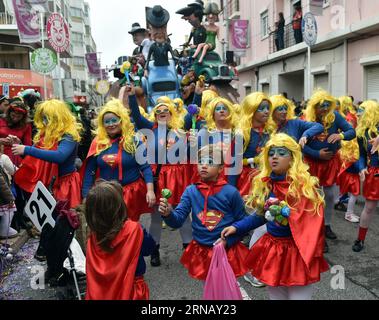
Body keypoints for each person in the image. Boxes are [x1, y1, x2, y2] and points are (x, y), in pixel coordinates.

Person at [221, 134, 329, 300]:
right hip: (274, 250)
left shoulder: (303, 186)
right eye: (271, 153)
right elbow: (260, 216)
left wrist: (286, 214)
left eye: (281, 153)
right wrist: (237, 227)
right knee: (276, 296)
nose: (275, 157)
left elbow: (311, 223)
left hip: (297, 252)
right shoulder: (268, 183)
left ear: (292, 158)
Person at [158, 144, 249, 282]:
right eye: (201, 161)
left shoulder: (231, 192)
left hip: (227, 250)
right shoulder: (191, 191)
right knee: (210, 288)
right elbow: (177, 221)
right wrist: (168, 213)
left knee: (227, 288)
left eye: (210, 162)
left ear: (220, 168)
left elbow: (243, 224)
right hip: (201, 250)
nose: (204, 165)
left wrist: (228, 240)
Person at [125, 85, 193, 267]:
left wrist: (198, 94)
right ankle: (154, 250)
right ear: (154, 116)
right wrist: (132, 97)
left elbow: (192, 111)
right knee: (157, 216)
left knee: (184, 214)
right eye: (158, 111)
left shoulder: (180, 130)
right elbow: (137, 117)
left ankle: (188, 249)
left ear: (171, 114)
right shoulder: (150, 128)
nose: (162, 113)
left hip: (178, 178)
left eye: (166, 111)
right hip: (159, 178)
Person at [81, 99, 155, 222]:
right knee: (111, 228)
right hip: (107, 195)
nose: (111, 124)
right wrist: (85, 196)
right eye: (107, 121)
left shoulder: (134, 140)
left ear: (122, 121)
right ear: (102, 124)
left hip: (131, 193)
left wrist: (150, 191)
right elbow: (89, 171)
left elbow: (145, 167)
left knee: (130, 228)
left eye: (114, 120)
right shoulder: (98, 143)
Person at [302, 90, 356, 253]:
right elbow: (300, 145)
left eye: (327, 104)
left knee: (330, 196)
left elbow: (351, 131)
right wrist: (316, 153)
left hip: (330, 164)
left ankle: (326, 226)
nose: (325, 108)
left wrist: (341, 137)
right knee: (316, 199)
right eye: (321, 105)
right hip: (312, 164)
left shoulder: (335, 116)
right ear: (314, 107)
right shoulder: (305, 120)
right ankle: (317, 235)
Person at [85, 180, 156, 300]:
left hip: (102, 291)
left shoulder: (93, 235)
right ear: (119, 206)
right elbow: (150, 248)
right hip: (131, 290)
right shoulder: (134, 229)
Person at [12, 100, 83, 210]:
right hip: (46, 184)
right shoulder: (45, 134)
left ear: (59, 117)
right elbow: (35, 159)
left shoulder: (69, 135)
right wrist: (19, 146)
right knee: (48, 225)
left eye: (49, 118)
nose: (46, 122)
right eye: (44, 118)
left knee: (65, 221)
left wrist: (27, 149)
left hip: (64, 184)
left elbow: (59, 156)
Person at [228, 92, 271, 197]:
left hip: (267, 179)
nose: (266, 112)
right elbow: (233, 164)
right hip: (247, 181)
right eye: (261, 108)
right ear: (251, 110)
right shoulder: (241, 134)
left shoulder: (270, 131)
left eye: (267, 108)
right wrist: (231, 193)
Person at [352, 101, 379, 252]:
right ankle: (360, 239)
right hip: (374, 173)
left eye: (361, 110)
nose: (357, 113)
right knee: (368, 208)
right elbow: (361, 155)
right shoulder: (362, 134)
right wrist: (361, 168)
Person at [145, 6, 177, 74]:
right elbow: (148, 59)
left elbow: (174, 56)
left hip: (167, 68)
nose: (160, 32)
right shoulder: (153, 46)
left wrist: (178, 59)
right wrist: (145, 69)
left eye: (162, 28)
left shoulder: (167, 46)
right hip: (156, 69)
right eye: (156, 28)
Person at [0, 154, 17, 239]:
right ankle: (4, 230)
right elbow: (2, 184)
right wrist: (10, 198)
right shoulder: (4, 158)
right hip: (3, 196)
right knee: (9, 211)